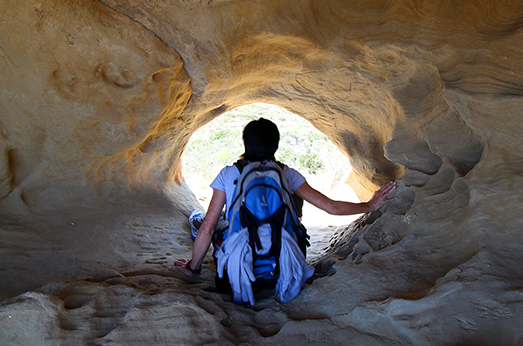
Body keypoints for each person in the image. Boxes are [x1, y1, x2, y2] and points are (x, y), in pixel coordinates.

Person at [170, 117, 398, 278]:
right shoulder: (286, 174)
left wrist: (193, 267)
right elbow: (330, 207)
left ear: (245, 143)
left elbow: (209, 227)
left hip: (239, 273)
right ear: (275, 145)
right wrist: (370, 204)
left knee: (207, 222)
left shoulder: (228, 173)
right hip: (283, 267)